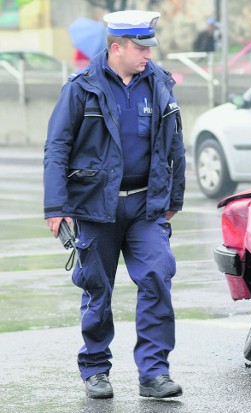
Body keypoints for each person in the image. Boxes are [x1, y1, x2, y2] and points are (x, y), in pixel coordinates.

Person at [43, 9, 185, 400]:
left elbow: (174, 144)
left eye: (149, 47)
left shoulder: (158, 83)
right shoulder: (81, 87)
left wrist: (174, 197)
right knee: (97, 288)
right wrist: (56, 207)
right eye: (140, 47)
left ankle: (154, 374)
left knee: (157, 277)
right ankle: (95, 368)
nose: (148, 55)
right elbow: (56, 148)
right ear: (116, 47)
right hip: (94, 207)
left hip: (145, 206)